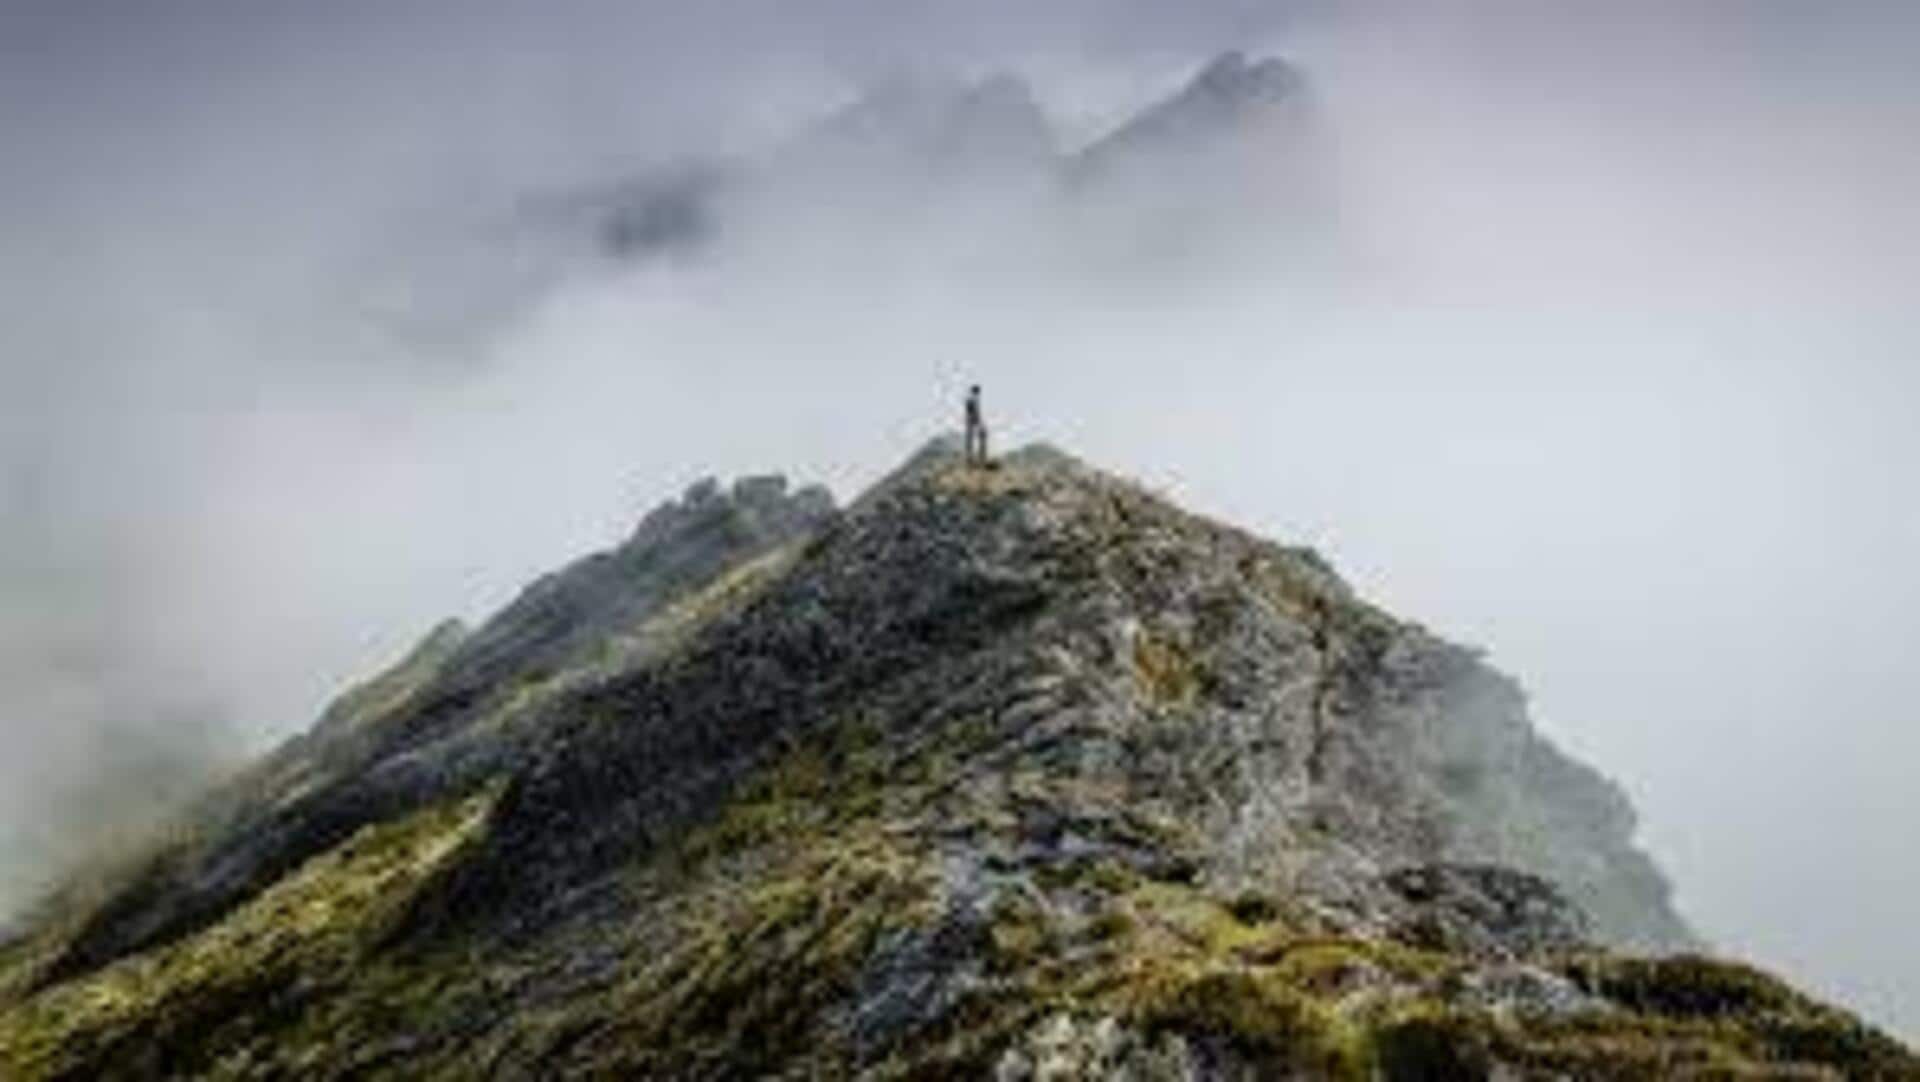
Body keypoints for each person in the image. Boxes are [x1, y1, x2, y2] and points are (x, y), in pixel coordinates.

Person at [964, 384, 988, 467]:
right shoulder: (973, 399)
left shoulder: (971, 398)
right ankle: (976, 458)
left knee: (971, 440)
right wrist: (977, 420)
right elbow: (973, 411)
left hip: (971, 420)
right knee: (978, 437)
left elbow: (971, 410)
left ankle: (973, 458)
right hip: (973, 420)